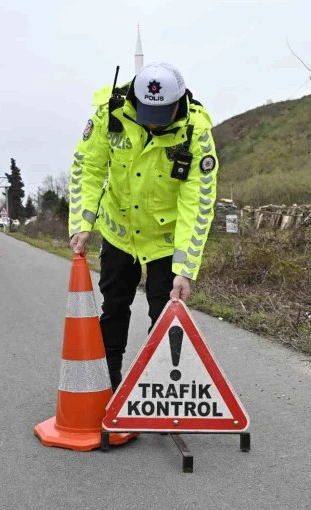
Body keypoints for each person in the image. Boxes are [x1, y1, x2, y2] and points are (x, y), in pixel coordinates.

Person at [69, 62, 219, 391]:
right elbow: (88, 167)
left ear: (178, 103)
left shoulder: (196, 132)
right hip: (119, 231)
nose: (153, 121)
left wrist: (185, 268)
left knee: (164, 312)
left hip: (166, 240)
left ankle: (159, 390)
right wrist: (83, 223)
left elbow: (197, 203)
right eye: (148, 111)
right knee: (115, 305)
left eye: (163, 113)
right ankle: (107, 384)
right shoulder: (110, 114)